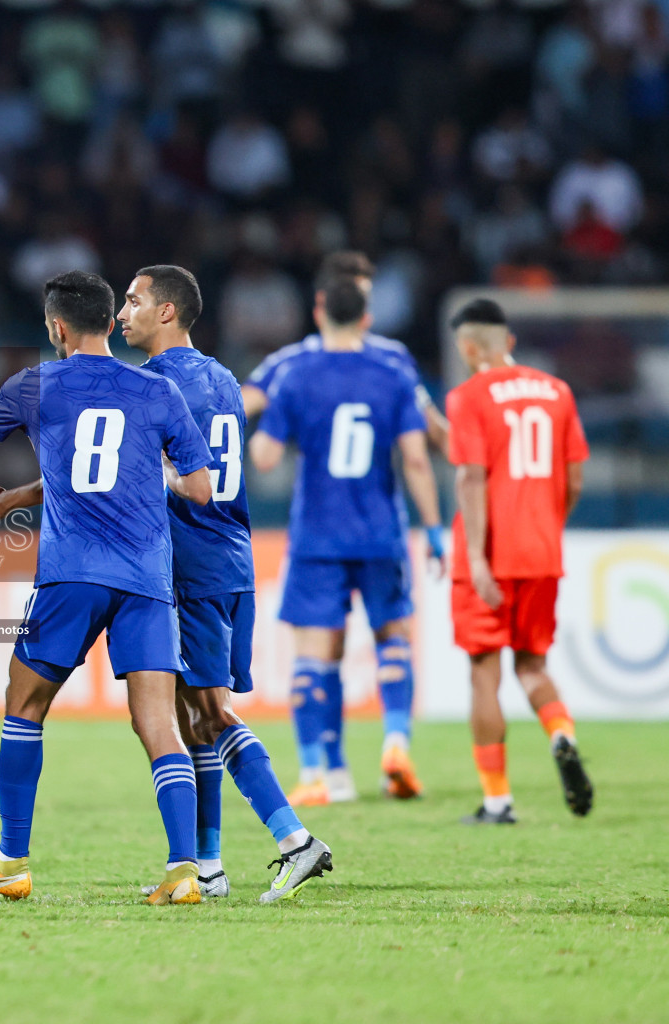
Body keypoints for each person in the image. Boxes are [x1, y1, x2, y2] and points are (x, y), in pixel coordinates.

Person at [0, 266, 332, 904]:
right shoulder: (220, 376)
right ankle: (207, 865)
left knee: (207, 713)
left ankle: (293, 839)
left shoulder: (148, 383)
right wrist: (19, 499)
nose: (122, 314)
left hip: (191, 561)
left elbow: (104, 472)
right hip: (231, 558)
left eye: (133, 302)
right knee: (193, 716)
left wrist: (16, 500)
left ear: (167, 314)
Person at [0, 270, 217, 905]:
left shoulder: (37, 385)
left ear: (58, 326)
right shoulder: (157, 390)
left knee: (25, 704)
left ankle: (11, 859)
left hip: (72, 574)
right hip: (148, 578)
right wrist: (155, 475)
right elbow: (200, 490)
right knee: (157, 724)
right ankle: (185, 871)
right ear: (104, 320)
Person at [248, 275, 445, 808]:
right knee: (393, 638)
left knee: (313, 655)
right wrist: (433, 529)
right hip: (381, 532)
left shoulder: (295, 375)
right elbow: (418, 458)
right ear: (367, 317)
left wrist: (289, 435)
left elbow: (264, 457)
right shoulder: (393, 373)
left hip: (317, 535)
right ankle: (397, 743)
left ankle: (317, 772)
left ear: (319, 314)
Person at [445, 298, 592, 824]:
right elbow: (574, 477)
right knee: (533, 665)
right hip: (543, 551)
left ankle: (497, 800)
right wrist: (549, 526)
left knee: (485, 675)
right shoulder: (558, 391)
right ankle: (562, 735)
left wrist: (480, 563)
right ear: (507, 341)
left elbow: (470, 477)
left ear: (467, 347)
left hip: (487, 557)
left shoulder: (467, 396)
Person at [241, 251, 450, 456]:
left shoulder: (392, 358)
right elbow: (236, 410)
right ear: (323, 301)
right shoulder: (291, 363)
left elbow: (436, 430)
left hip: (381, 481)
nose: (359, 306)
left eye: (364, 298)